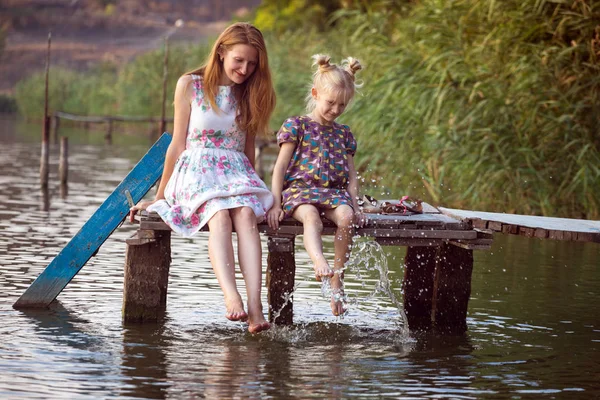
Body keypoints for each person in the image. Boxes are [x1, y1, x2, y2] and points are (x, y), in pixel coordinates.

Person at [130, 22, 275, 334]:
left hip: (236, 171)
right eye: (239, 60)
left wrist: (254, 188)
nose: (245, 69)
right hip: (196, 169)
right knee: (219, 215)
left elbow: (248, 149)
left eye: (252, 63)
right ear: (221, 52)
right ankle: (231, 296)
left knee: (246, 214)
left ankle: (255, 306)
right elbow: (177, 144)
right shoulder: (191, 85)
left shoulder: (249, 92)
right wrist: (159, 197)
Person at [267, 54, 365, 317]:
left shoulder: (343, 133)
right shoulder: (297, 125)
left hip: (333, 193)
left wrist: (355, 204)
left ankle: (338, 279)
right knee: (311, 217)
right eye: (330, 103)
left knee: (347, 217)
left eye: (341, 105)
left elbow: (352, 176)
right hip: (300, 191)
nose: (335, 110)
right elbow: (279, 168)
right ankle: (318, 260)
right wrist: (276, 203)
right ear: (315, 93)